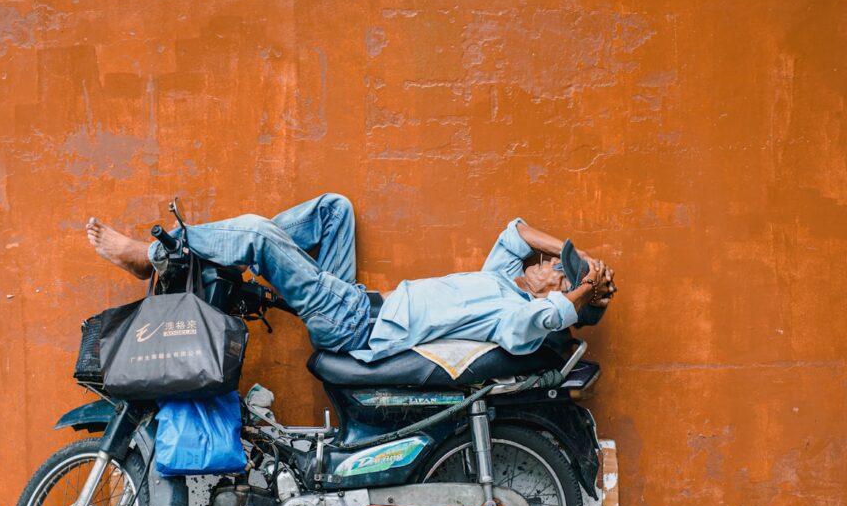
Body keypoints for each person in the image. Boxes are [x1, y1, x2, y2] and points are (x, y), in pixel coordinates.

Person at [86, 193, 615, 361]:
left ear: (557, 290)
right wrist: (583, 256)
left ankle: (155, 253)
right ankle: (220, 255)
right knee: (334, 209)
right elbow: (517, 231)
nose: (544, 264)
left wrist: (582, 288)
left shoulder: (514, 314)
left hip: (355, 324)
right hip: (356, 300)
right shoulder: (502, 280)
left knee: (256, 234)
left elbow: (547, 318)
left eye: (553, 269)